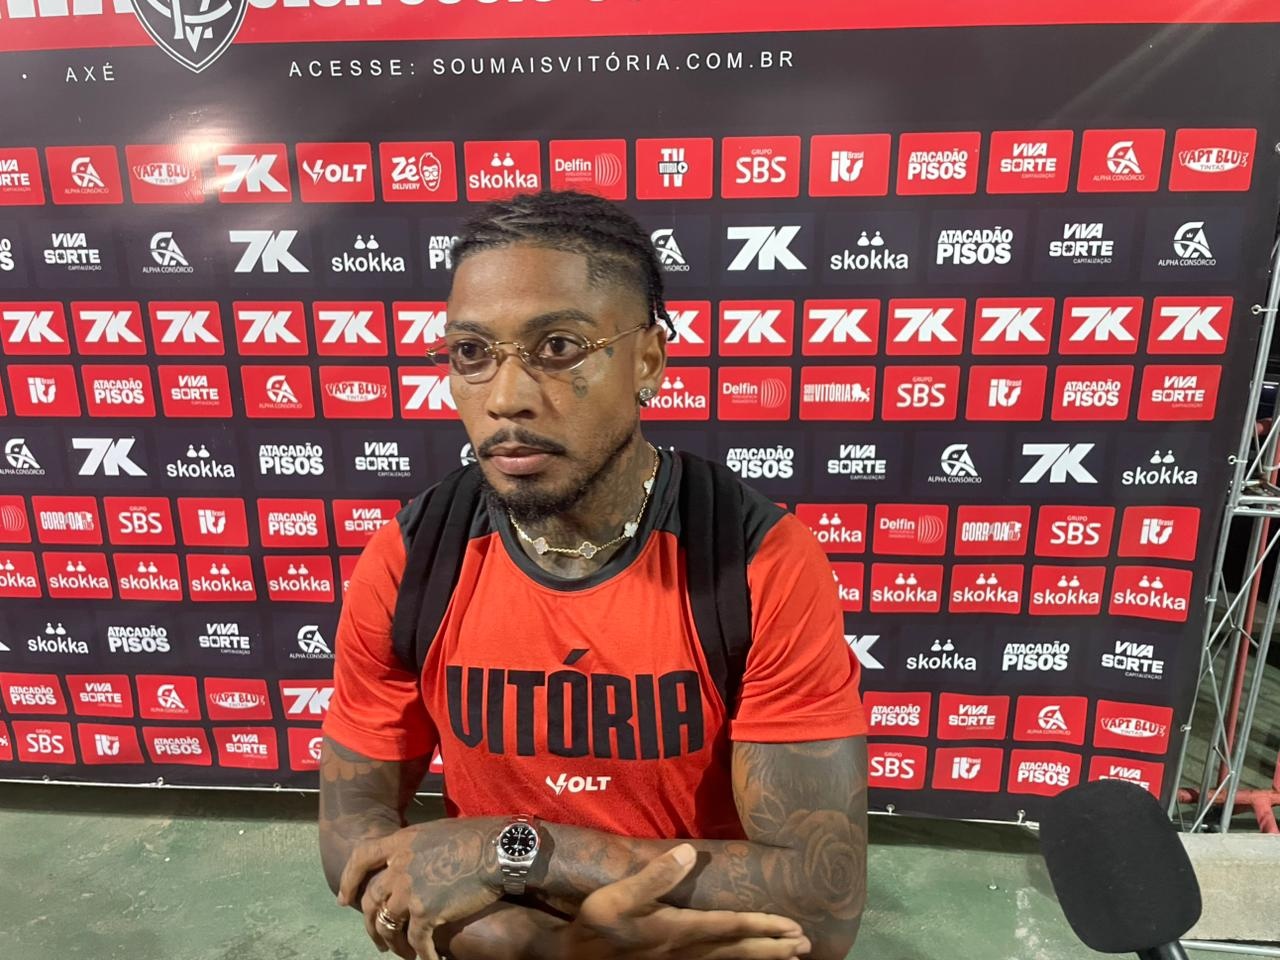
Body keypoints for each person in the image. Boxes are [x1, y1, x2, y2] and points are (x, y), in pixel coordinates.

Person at [318, 189, 869, 960]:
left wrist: (510, 851)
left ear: (648, 360)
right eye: (471, 353)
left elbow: (823, 901)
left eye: (559, 347)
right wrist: (554, 946)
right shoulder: (415, 557)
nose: (506, 398)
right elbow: (354, 837)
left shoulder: (758, 562)